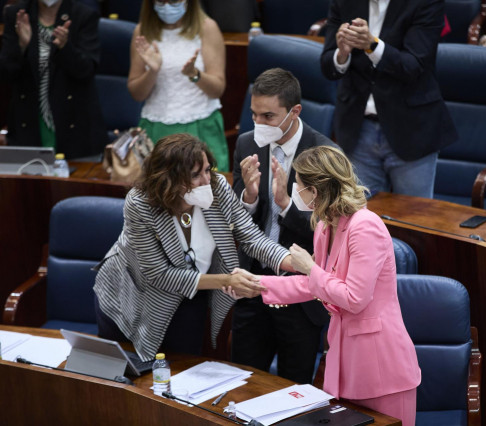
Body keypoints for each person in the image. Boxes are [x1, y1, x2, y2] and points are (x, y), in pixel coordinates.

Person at [228, 146, 420, 426]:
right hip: (344, 360)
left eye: (299, 185)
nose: (295, 190)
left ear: (315, 191)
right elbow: (316, 285)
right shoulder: (325, 226)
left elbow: (354, 298)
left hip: (381, 366)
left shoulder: (366, 227)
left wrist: (310, 267)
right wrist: (257, 285)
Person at [94, 133, 293, 361]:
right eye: (195, 175)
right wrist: (226, 280)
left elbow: (251, 236)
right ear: (169, 178)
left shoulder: (217, 188)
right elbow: (159, 275)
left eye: (207, 170)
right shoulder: (141, 203)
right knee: (123, 376)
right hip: (131, 296)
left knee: (181, 373)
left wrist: (292, 261)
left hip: (190, 294)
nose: (206, 180)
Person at [231, 68, 333, 384]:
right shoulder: (247, 144)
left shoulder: (323, 154)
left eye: (269, 116)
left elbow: (328, 232)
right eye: (254, 115)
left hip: (300, 293)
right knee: (245, 383)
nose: (259, 124)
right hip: (253, 284)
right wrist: (247, 196)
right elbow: (236, 218)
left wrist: (286, 205)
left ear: (295, 112)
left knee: (294, 389)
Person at [320, 0, 457, 198]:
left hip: (410, 127)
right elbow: (327, 66)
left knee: (413, 220)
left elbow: (414, 65)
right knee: (361, 218)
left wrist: (372, 45)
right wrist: (341, 54)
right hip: (358, 128)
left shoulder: (425, 3)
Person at [127, 0, 229, 171]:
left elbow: (217, 89)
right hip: (156, 127)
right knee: (159, 193)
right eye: (161, 1)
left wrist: (195, 75)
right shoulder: (142, 31)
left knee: (205, 190)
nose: (167, 7)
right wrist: (152, 71)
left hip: (200, 126)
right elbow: (136, 93)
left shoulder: (207, 28)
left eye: (173, 1)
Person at [0, 0, 108, 159]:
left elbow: (87, 70)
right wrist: (21, 47)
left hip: (74, 127)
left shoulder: (83, 15)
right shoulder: (16, 15)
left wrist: (65, 48)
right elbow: (5, 74)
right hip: (29, 123)